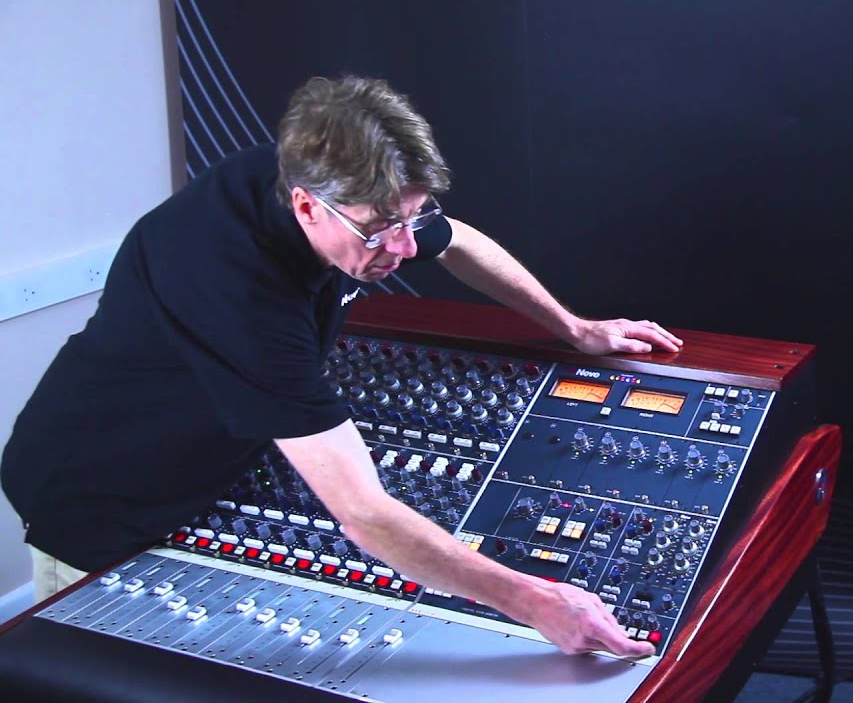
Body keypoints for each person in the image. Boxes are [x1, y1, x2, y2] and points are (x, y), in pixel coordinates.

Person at [0, 75, 681, 659]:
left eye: (414, 215)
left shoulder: (336, 187)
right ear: (306, 205)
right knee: (106, 676)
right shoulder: (238, 289)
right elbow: (362, 513)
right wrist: (534, 601)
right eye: (382, 229)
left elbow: (453, 241)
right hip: (98, 494)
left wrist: (574, 328)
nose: (404, 247)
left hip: (210, 460)